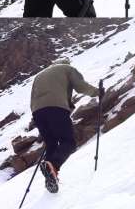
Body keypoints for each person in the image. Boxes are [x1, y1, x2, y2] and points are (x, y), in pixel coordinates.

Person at [30, 57, 105, 193]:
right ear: (67, 63)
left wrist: (37, 116)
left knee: (51, 143)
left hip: (38, 112)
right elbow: (80, 86)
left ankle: (51, 175)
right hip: (56, 109)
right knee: (68, 143)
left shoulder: (39, 76)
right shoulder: (68, 69)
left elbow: (33, 98)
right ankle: (54, 166)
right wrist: (97, 92)